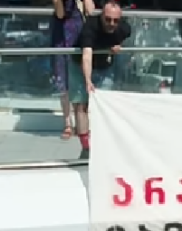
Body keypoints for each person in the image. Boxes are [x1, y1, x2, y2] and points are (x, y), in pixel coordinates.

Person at [70, 0, 131, 159]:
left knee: (104, 106)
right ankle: (86, 148)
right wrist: (88, 80)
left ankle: (101, 143)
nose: (111, 23)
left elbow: (125, 37)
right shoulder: (90, 27)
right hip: (80, 65)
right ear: (102, 16)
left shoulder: (123, 28)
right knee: (81, 105)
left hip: (104, 67)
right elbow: (87, 56)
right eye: (108, 19)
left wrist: (118, 44)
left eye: (115, 20)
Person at [51, 0, 95, 140]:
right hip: (61, 36)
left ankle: (81, 121)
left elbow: (91, 11)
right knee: (62, 79)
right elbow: (60, 14)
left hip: (78, 34)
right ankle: (67, 123)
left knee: (80, 77)